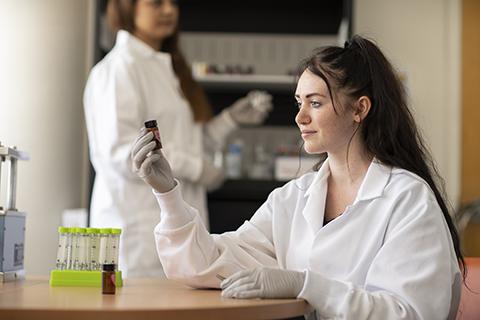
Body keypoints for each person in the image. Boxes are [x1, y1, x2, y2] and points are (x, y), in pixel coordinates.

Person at [131, 34, 464, 319]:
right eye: (298, 102)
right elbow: (209, 265)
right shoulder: (293, 198)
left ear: (360, 109)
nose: (300, 117)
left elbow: (410, 313)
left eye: (315, 103)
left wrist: (308, 286)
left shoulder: (408, 200)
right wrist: (169, 195)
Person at [83, 0, 272, 278]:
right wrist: (196, 168)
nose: (169, 10)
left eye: (173, 2)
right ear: (127, 8)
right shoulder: (118, 69)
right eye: (156, 3)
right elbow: (121, 153)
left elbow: (189, 143)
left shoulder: (166, 67)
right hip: (138, 232)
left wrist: (230, 120)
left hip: (176, 226)